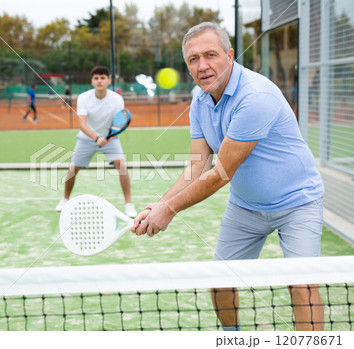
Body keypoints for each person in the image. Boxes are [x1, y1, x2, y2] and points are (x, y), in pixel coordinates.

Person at [131, 22, 325, 331]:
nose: (202, 65)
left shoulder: (255, 96)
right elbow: (197, 165)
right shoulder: (200, 99)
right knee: (220, 280)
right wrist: (159, 205)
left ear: (230, 55)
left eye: (210, 54)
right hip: (246, 205)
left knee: (301, 284)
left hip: (297, 203)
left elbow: (221, 173)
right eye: (193, 59)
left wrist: (169, 210)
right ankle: (231, 338)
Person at [56, 66, 137, 218]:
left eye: (103, 78)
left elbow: (119, 124)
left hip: (109, 138)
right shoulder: (84, 98)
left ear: (109, 81)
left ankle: (129, 204)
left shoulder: (117, 99)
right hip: (86, 138)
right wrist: (96, 138)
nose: (99, 81)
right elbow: (82, 124)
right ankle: (65, 199)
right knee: (73, 169)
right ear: (92, 81)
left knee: (122, 167)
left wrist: (109, 137)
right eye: (96, 78)